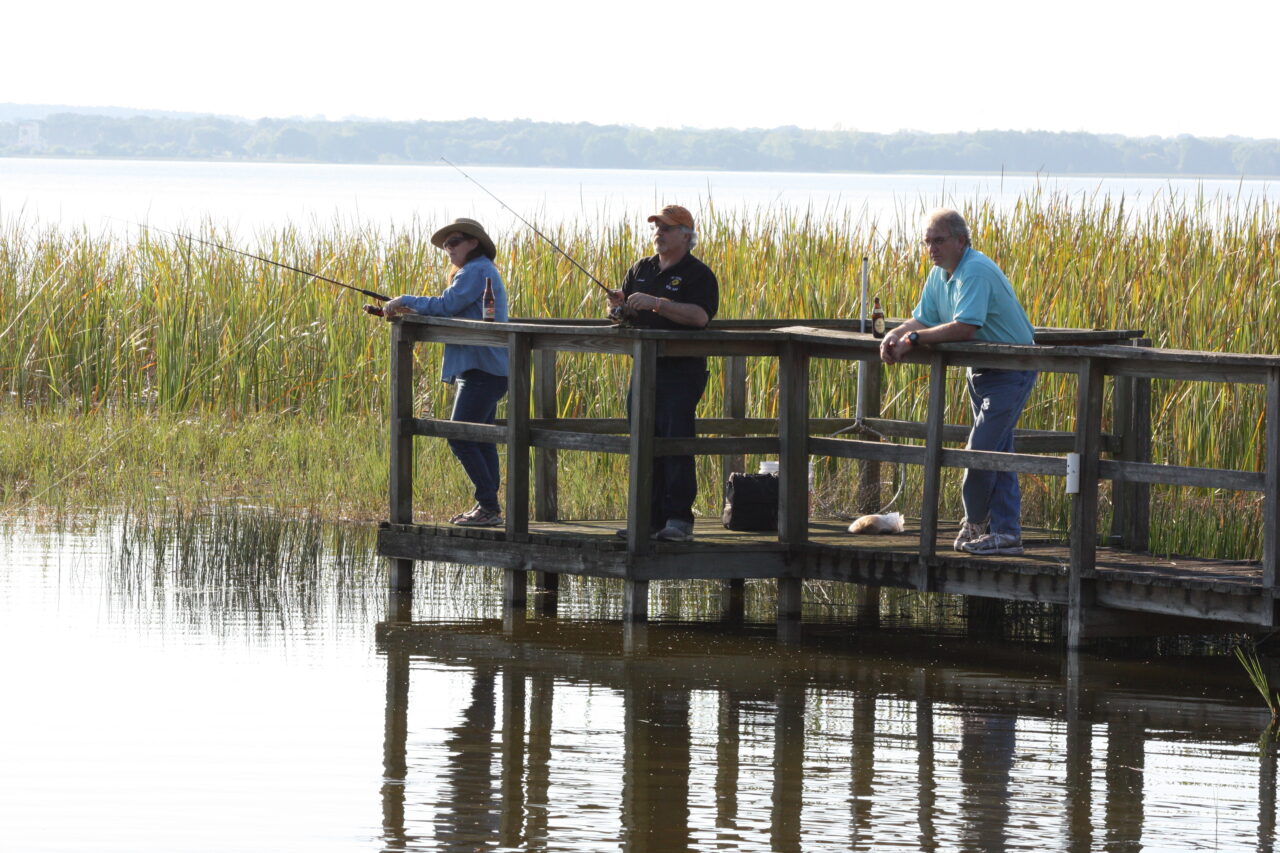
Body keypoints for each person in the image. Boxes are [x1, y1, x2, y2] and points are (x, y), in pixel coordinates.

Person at [879, 208, 1036, 556]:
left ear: (961, 241)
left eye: (939, 240)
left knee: (979, 452)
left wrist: (916, 341)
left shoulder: (975, 270)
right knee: (998, 451)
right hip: (980, 371)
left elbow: (965, 327)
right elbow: (922, 318)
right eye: (927, 242)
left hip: (1011, 369)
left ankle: (975, 523)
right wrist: (895, 335)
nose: (932, 249)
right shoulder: (939, 274)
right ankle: (1006, 533)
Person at [382, 218, 509, 527]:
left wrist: (404, 300)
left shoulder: (476, 271)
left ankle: (489, 507)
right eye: (445, 245)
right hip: (488, 368)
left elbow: (447, 304)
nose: (448, 249)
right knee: (480, 438)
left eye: (453, 243)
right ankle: (488, 507)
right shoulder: (478, 271)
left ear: (473, 242)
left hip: (482, 367)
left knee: (460, 436)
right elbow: (456, 309)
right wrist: (413, 312)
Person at [608, 204, 719, 542]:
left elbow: (700, 317)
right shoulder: (641, 268)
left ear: (686, 236)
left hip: (681, 372)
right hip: (643, 369)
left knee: (675, 444)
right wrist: (618, 308)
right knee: (642, 442)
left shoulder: (698, 274)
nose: (659, 233)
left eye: (667, 228)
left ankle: (679, 521)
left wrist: (657, 303)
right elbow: (622, 311)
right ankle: (647, 519)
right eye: (656, 227)